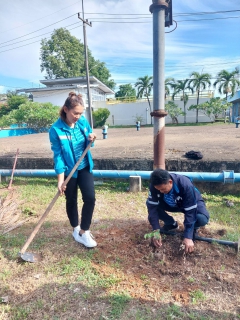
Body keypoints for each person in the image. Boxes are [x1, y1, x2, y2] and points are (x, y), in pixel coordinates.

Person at [49, 92, 97, 248]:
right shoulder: (56, 130)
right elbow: (58, 156)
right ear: (65, 109)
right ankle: (76, 228)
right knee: (71, 200)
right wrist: (61, 180)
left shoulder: (82, 122)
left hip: (84, 166)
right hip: (69, 171)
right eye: (75, 113)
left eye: (80, 113)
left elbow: (90, 139)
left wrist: (91, 138)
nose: (78, 116)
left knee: (90, 198)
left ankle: (84, 231)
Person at [146, 169, 209, 253]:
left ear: (170, 182)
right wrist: (156, 230)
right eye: (159, 190)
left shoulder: (185, 184)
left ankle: (194, 228)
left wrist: (188, 236)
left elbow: (190, 211)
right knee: (152, 206)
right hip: (170, 203)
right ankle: (171, 224)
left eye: (163, 189)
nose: (161, 191)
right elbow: (152, 207)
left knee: (202, 219)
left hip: (191, 202)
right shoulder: (155, 186)